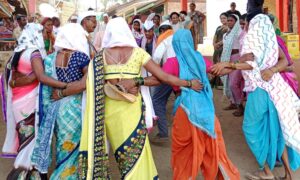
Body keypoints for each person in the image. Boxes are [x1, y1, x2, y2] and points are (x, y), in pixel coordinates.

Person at [78, 17, 202, 179]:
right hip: (132, 113)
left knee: (120, 155)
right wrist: (188, 83)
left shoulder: (100, 58)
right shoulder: (138, 53)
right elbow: (163, 77)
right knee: (135, 157)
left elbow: (88, 84)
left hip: (108, 114)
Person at [211, 0, 300, 179]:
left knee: (252, 128)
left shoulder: (255, 36)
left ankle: (267, 171)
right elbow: (275, 60)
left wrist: (230, 64)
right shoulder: (269, 36)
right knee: (276, 130)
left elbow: (251, 64)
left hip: (261, 90)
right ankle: (288, 174)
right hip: (274, 90)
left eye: (245, 23)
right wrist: (270, 69)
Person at [148, 29, 240, 180]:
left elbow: (158, 80)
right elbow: (218, 71)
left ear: (175, 44)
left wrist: (137, 81)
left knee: (184, 151)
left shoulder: (173, 62)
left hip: (185, 110)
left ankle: (185, 176)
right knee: (213, 147)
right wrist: (234, 65)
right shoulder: (200, 59)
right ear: (191, 42)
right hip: (206, 110)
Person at [31, 23, 91, 179]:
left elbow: (45, 82)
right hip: (75, 107)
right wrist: (67, 90)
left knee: (62, 144)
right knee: (73, 144)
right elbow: (88, 82)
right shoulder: (80, 57)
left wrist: (59, 92)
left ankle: (62, 170)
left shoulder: (50, 59)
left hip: (56, 109)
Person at [2, 23, 49, 180]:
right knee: (31, 138)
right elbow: (40, 76)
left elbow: (11, 79)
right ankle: (25, 174)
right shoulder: (33, 53)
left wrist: (19, 81)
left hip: (17, 101)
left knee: (24, 136)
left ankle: (26, 171)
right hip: (29, 102)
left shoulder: (17, 53)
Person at [150, 21, 176, 142]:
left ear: (161, 31)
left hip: (169, 73)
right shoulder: (178, 37)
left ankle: (163, 133)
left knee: (157, 100)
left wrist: (154, 74)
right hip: (183, 74)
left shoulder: (164, 39)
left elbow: (156, 57)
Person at [220, 14, 244, 116]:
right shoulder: (226, 34)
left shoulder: (240, 32)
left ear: (236, 21)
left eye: (231, 21)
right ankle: (233, 102)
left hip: (237, 58)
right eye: (228, 20)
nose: (229, 22)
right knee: (228, 81)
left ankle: (240, 106)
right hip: (227, 59)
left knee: (233, 84)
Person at [211, 12, 228, 89]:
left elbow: (227, 38)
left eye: (224, 18)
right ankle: (215, 82)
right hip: (217, 49)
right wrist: (214, 44)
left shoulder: (228, 28)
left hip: (224, 48)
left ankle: (221, 83)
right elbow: (215, 36)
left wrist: (219, 44)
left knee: (222, 64)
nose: (222, 20)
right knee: (216, 63)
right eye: (221, 18)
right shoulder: (218, 27)